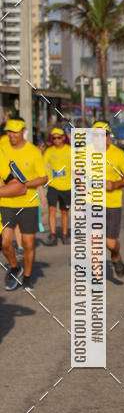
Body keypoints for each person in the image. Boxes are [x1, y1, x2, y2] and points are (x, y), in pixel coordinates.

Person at [0, 117, 48, 290]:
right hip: (6, 202)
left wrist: (22, 185)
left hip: (28, 203)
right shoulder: (2, 149)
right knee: (5, 242)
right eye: (9, 131)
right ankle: (15, 267)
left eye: (15, 131)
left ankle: (27, 276)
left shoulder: (33, 151)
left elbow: (43, 177)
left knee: (28, 243)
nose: (11, 134)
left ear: (23, 131)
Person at [92, 121, 124, 278]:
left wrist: (115, 184)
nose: (100, 138)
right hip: (92, 203)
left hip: (112, 203)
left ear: (109, 137)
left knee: (110, 243)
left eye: (103, 135)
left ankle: (116, 256)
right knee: (94, 238)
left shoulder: (118, 154)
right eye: (96, 135)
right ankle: (96, 277)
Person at [43, 126, 71, 244]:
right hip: (53, 185)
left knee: (64, 212)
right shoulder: (49, 151)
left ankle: (64, 235)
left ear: (63, 138)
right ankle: (53, 235)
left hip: (67, 186)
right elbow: (43, 167)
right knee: (52, 209)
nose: (56, 140)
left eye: (59, 138)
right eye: (54, 138)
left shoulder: (70, 150)